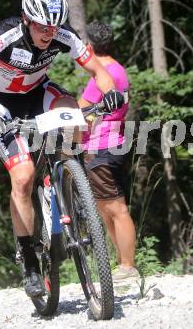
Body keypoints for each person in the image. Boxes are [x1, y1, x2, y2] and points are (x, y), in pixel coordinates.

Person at [0, 0, 124, 297]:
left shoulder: (63, 34)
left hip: (39, 95)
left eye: (54, 27)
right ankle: (29, 262)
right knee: (22, 178)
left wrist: (111, 93)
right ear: (26, 19)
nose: (49, 34)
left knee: (74, 116)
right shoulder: (1, 37)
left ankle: (69, 180)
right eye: (42, 28)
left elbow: (99, 71)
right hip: (2, 104)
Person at [78, 20, 139, 282]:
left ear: (89, 46)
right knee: (106, 208)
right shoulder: (119, 69)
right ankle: (123, 264)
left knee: (115, 208)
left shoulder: (101, 74)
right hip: (112, 144)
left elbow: (79, 110)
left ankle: (127, 266)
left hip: (101, 146)